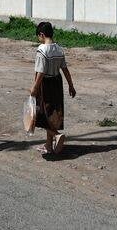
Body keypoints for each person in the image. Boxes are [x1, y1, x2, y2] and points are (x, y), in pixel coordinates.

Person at [30, 21, 76, 155]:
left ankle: (56, 135)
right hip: (57, 82)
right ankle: (48, 145)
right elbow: (65, 69)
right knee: (52, 114)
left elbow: (41, 72)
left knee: (43, 115)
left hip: (45, 84)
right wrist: (71, 86)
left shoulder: (42, 50)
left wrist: (34, 88)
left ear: (42, 34)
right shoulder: (59, 49)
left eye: (38, 36)